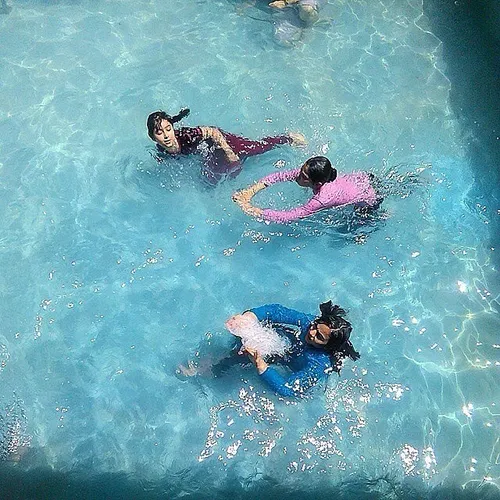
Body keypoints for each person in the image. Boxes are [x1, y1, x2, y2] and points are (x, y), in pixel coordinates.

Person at [178, 301, 360, 398]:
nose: (311, 333)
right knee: (245, 339)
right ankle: (215, 365)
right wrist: (249, 318)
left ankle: (208, 370)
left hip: (290, 362)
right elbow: (276, 311)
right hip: (287, 346)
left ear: (327, 346)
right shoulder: (307, 323)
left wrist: (261, 366)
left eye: (319, 337)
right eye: (316, 327)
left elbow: (289, 390)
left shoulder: (319, 364)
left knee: (244, 357)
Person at [147, 108, 306, 185]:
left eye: (169, 129)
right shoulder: (161, 152)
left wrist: (229, 152)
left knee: (254, 148)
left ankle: (287, 138)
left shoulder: (187, 135)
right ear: (153, 137)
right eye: (160, 132)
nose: (167, 135)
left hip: (218, 140)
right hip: (207, 152)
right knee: (210, 182)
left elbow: (212, 132)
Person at [233, 155, 383, 223]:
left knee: (348, 231)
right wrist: (250, 191)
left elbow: (291, 216)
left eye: (303, 176)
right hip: (363, 179)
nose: (297, 177)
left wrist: (251, 209)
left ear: (317, 184)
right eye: (301, 171)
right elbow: (279, 176)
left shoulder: (321, 199)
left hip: (369, 198)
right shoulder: (311, 173)